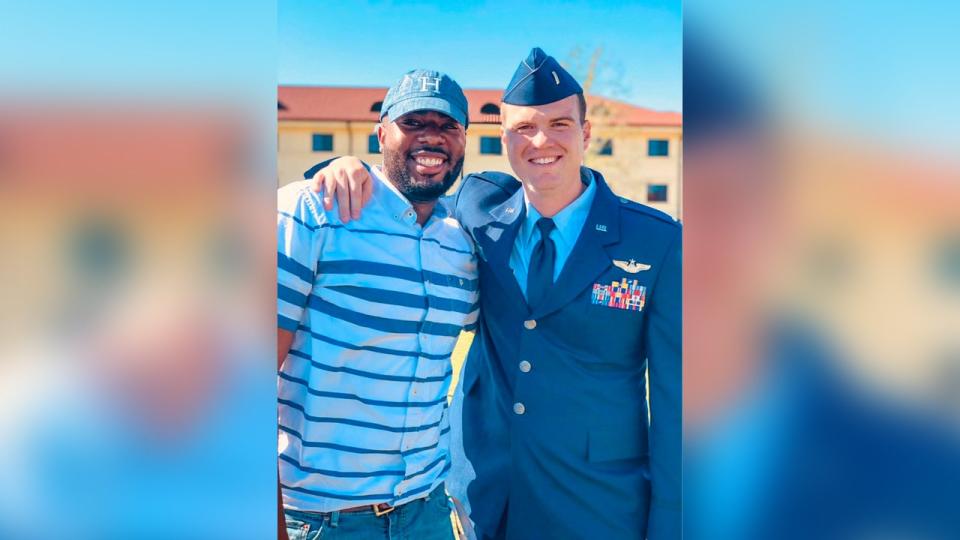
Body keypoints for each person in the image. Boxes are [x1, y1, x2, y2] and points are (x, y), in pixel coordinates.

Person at [308, 48, 681, 539]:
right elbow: (407, 182)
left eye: (560, 125)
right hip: (485, 496)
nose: (541, 140)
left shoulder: (655, 240)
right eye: (524, 127)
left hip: (600, 504)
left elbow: (678, 404)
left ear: (586, 133)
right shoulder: (477, 209)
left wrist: (672, 523)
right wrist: (339, 164)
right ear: (503, 137)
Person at [276, 68, 478, 540]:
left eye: (447, 126)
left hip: (426, 511)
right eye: (413, 122)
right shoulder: (311, 212)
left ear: (464, 139)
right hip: (323, 520)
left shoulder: (463, 246)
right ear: (381, 132)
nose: (431, 137)